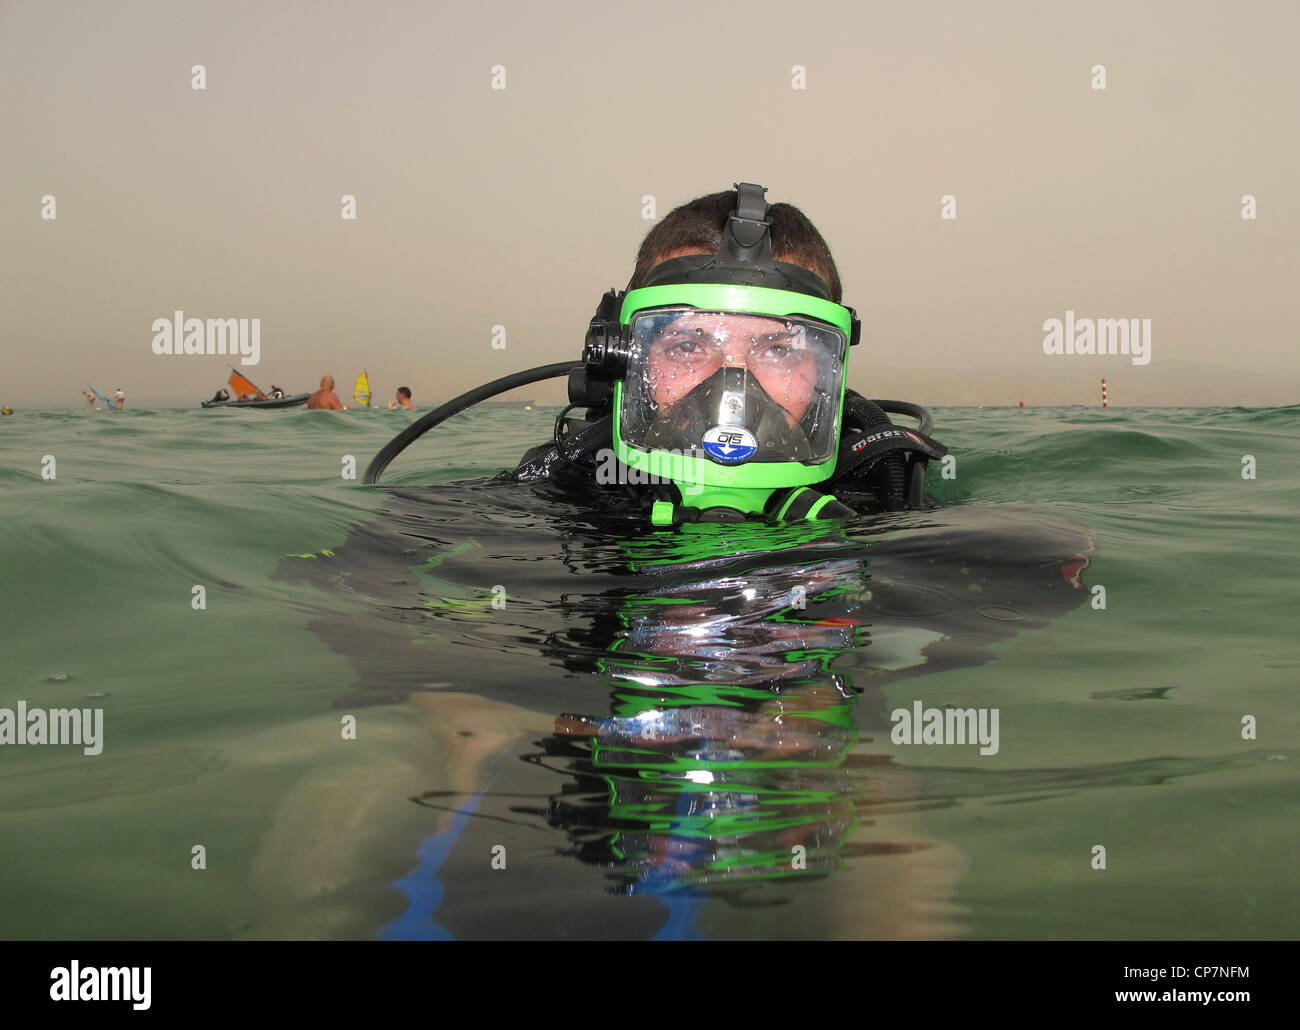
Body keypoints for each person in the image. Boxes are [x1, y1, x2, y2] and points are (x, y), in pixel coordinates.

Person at [501, 182, 947, 525]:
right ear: (623, 356)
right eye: (688, 346)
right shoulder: (570, 484)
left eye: (778, 349)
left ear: (827, 371)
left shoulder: (881, 494)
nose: (733, 388)